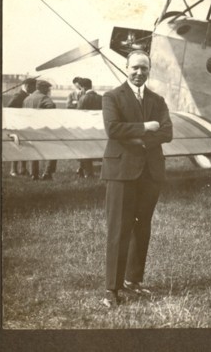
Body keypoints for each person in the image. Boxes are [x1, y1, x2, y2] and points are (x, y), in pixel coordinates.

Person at [100, 50, 173, 308]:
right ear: (126, 68)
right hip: (122, 173)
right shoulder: (112, 97)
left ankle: (133, 281)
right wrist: (145, 127)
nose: (139, 72)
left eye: (144, 68)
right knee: (118, 229)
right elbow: (113, 129)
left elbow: (167, 132)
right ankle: (112, 288)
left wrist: (138, 138)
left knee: (142, 228)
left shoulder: (157, 99)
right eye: (135, 68)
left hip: (150, 174)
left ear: (149, 70)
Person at [22, 80, 57, 180]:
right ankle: (47, 173)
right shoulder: (44, 98)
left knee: (34, 151)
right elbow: (51, 107)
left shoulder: (27, 99)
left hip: (30, 129)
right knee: (53, 150)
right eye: (47, 88)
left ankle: (34, 174)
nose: (48, 90)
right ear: (42, 88)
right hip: (44, 129)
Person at [7, 78, 36, 177]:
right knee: (17, 147)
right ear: (28, 86)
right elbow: (9, 109)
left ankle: (23, 169)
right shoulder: (19, 96)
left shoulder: (26, 95)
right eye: (33, 86)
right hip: (16, 126)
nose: (35, 89)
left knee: (24, 147)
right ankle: (13, 170)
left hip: (24, 126)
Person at [76, 77, 102, 178]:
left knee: (85, 151)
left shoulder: (83, 99)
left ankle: (88, 172)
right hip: (99, 128)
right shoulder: (101, 97)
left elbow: (79, 115)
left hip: (86, 129)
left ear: (83, 87)